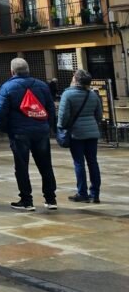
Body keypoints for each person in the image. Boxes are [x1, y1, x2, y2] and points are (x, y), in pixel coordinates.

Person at [0, 57, 57, 212]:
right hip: (41, 131)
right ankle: (51, 199)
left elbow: (0, 113)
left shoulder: (7, 87)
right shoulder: (42, 85)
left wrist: (5, 128)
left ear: (12, 71)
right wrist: (47, 126)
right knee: (45, 165)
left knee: (21, 166)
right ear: (28, 70)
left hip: (19, 132)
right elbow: (51, 108)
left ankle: (26, 200)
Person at [58, 69, 103, 204]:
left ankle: (82, 193)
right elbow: (99, 115)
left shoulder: (67, 94)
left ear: (75, 80)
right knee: (93, 162)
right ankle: (95, 194)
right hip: (92, 133)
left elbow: (63, 116)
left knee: (79, 163)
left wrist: (61, 127)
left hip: (76, 133)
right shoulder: (93, 95)